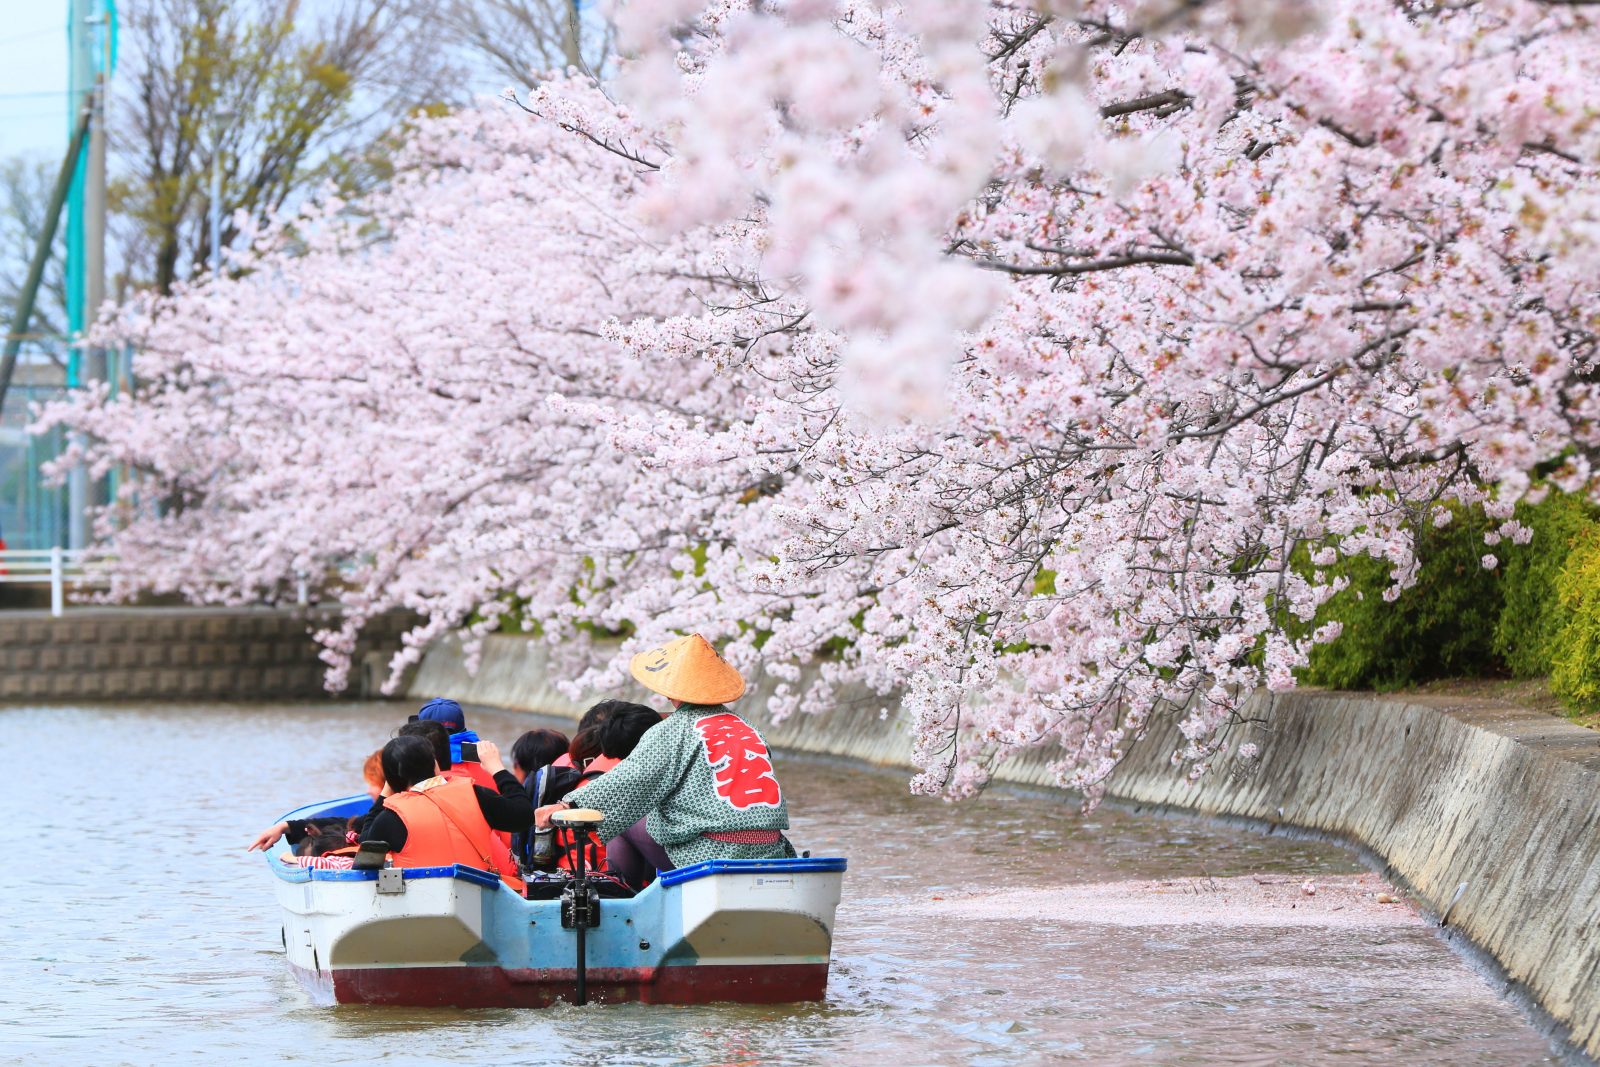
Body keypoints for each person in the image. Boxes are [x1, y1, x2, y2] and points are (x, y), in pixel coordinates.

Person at [535, 633, 794, 870]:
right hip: (770, 849)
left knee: (620, 821)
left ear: (673, 690)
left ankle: (626, 899)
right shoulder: (749, 728)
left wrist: (565, 804)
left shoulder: (672, 730)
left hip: (708, 853)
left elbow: (630, 781)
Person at [363, 734, 532, 890]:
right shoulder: (476, 794)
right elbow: (524, 815)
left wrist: (387, 789)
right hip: (478, 898)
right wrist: (497, 768)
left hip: (423, 904)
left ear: (391, 779)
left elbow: (365, 847)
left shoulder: (391, 817)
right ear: (435, 764)